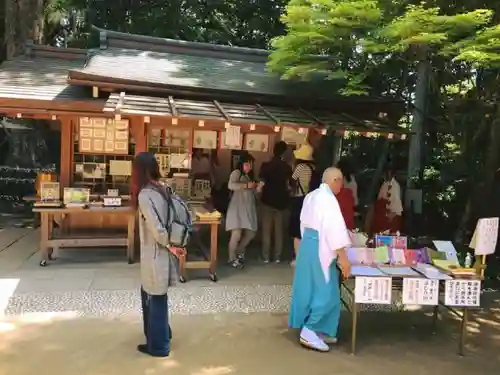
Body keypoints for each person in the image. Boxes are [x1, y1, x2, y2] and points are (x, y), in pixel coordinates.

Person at [289, 167, 352, 352]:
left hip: (309, 244)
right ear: (334, 180)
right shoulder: (327, 199)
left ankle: (319, 328)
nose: (342, 184)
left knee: (310, 288)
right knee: (327, 291)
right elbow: (334, 229)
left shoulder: (312, 196)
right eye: (340, 180)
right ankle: (309, 330)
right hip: (319, 247)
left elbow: (303, 223)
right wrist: (343, 258)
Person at [131, 152, 185, 357]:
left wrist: (169, 245)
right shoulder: (162, 187)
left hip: (155, 253)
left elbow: (156, 228)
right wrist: (173, 245)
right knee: (153, 296)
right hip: (162, 251)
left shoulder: (145, 194)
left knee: (155, 298)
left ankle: (159, 345)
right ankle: (160, 335)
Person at [259, 141, 292, 263]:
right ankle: (277, 257)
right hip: (281, 203)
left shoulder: (265, 166)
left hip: (267, 201)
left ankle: (265, 257)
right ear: (284, 152)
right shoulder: (287, 168)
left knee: (266, 231)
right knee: (279, 232)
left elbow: (261, 184)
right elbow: (289, 186)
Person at [226, 153, 258, 268]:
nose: (249, 166)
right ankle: (232, 257)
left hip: (247, 209)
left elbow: (252, 193)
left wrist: (257, 188)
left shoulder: (248, 176)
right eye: (247, 164)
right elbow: (231, 185)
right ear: (241, 164)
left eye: (251, 164)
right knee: (236, 234)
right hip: (237, 209)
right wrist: (246, 186)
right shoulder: (237, 173)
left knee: (251, 233)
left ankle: (239, 251)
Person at [289, 143, 315, 266]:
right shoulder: (313, 169)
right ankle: (307, 257)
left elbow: (292, 181)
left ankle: (298, 258)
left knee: (296, 231)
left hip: (299, 199)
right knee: (306, 229)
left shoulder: (299, 167)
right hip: (309, 201)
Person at [370, 166, 403, 234]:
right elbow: (380, 197)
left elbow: (395, 201)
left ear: (392, 175)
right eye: (386, 174)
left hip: (393, 211)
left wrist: (391, 212)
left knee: (391, 230)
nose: (386, 176)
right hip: (384, 210)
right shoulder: (384, 184)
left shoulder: (395, 185)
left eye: (388, 174)